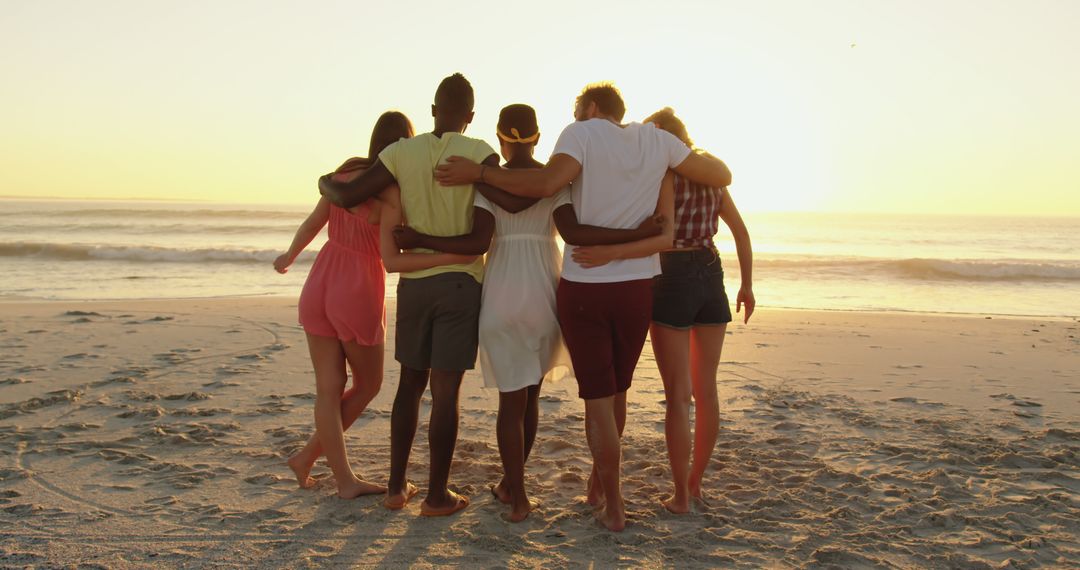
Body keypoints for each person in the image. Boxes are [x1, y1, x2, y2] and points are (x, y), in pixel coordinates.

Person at [435, 83, 733, 531]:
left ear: (592, 108)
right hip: (637, 287)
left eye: (577, 110)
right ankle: (599, 488)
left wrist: (480, 175)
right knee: (618, 395)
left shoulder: (581, 134)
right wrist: (672, 160)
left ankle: (612, 503)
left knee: (596, 401)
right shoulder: (659, 141)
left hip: (585, 287)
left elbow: (546, 184)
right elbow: (721, 174)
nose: (574, 117)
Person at [318, 73, 498, 517]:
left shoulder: (401, 152)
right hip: (460, 285)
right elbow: (483, 236)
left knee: (409, 386)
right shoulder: (479, 154)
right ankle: (437, 497)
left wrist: (324, 181)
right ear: (470, 117)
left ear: (434, 110)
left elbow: (345, 194)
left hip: (414, 286)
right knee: (446, 392)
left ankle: (396, 489)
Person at [592, 107, 755, 514]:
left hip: (673, 275)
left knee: (678, 397)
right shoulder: (711, 174)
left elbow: (650, 229)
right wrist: (747, 285)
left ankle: (680, 496)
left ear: (662, 136)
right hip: (711, 273)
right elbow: (739, 231)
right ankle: (695, 484)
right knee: (708, 391)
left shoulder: (662, 174)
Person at [272, 111, 429, 499]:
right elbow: (393, 248)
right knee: (368, 383)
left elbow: (312, 224)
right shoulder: (392, 190)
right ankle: (323, 465)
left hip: (320, 282)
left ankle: (324, 470)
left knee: (328, 388)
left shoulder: (343, 175)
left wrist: (290, 256)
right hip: (357, 287)